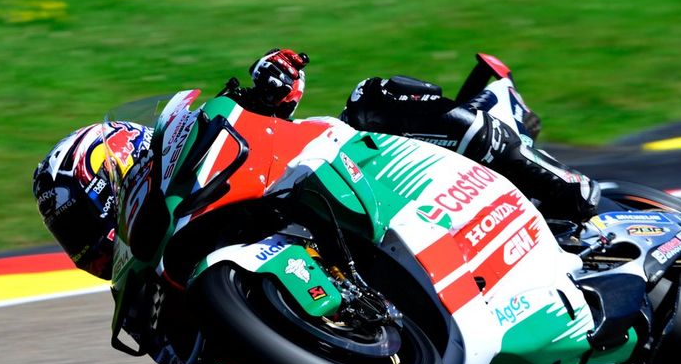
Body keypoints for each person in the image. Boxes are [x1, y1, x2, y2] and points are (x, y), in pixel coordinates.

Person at [32, 48, 598, 282]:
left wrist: (274, 81)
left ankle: (552, 177)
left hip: (335, 168)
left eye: (78, 220)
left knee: (372, 100)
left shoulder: (188, 157)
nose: (80, 243)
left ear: (109, 171)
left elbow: (264, 112)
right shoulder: (142, 285)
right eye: (69, 234)